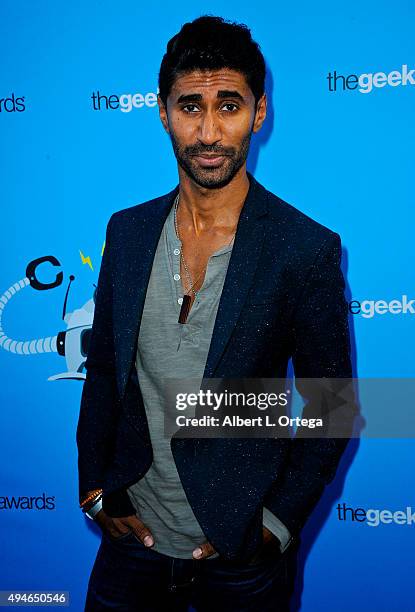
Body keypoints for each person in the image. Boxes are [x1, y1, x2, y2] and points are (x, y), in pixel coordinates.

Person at [76, 15, 353, 612]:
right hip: (131, 542)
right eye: (189, 107)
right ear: (162, 112)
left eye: (228, 106)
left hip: (240, 557)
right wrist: (96, 489)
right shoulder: (126, 233)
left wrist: (276, 524)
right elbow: (102, 373)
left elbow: (335, 404)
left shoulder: (303, 249)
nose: (208, 132)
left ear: (259, 113)